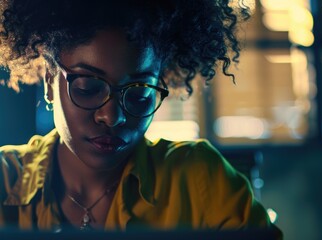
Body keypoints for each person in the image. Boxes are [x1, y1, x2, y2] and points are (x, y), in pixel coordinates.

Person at [0, 0, 281, 237]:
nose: (112, 116)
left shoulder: (199, 180)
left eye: (138, 94)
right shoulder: (5, 180)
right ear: (49, 82)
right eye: (89, 88)